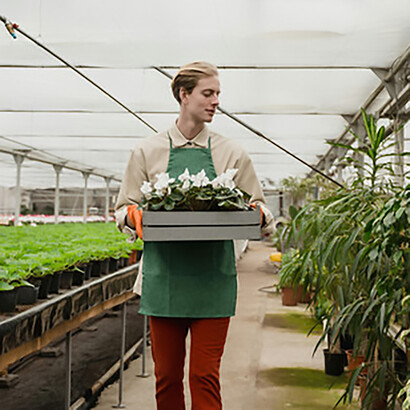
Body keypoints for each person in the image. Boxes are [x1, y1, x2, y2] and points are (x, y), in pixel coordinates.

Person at [115, 61, 273, 410]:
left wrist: (260, 214)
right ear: (184, 95)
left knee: (204, 376)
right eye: (208, 93)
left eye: (218, 94)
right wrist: (132, 216)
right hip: (163, 278)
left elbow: (260, 207)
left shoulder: (231, 152)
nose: (216, 101)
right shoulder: (147, 151)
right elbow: (123, 207)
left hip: (213, 279)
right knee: (166, 377)